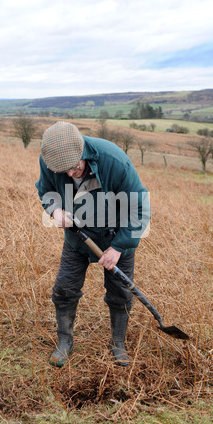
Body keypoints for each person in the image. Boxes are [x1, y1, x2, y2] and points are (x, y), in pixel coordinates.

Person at [36, 121, 150, 367]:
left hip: (117, 235)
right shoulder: (50, 160)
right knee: (64, 289)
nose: (69, 174)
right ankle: (64, 341)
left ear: (82, 153)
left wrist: (119, 247)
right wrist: (55, 210)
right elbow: (45, 190)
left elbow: (139, 209)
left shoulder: (114, 161)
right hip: (77, 237)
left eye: (74, 167)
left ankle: (118, 343)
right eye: (62, 171)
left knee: (120, 293)